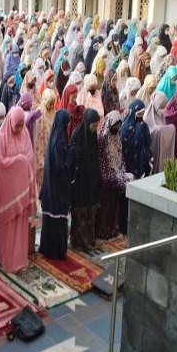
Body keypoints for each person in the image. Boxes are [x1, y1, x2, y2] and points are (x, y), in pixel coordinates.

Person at [0, 106, 36, 273]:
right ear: (10, 122)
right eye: (16, 125)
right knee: (7, 228)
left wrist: (22, 162)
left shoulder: (24, 133)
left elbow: (30, 156)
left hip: (21, 190)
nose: (19, 128)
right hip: (7, 192)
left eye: (21, 125)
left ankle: (19, 260)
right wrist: (19, 161)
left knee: (20, 228)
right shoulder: (1, 136)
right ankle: (7, 261)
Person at [39, 109, 76, 260]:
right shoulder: (59, 141)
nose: (68, 127)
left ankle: (48, 248)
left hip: (51, 186)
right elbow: (62, 167)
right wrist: (72, 153)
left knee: (52, 220)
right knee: (57, 219)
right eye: (67, 124)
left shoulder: (56, 136)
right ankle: (56, 250)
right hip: (57, 188)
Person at [97, 111, 133, 241]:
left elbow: (120, 157)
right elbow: (101, 161)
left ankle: (113, 229)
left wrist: (121, 172)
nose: (116, 128)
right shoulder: (102, 139)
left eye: (119, 125)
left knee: (116, 204)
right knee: (106, 206)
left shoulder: (118, 136)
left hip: (116, 172)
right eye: (115, 125)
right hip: (105, 177)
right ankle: (103, 231)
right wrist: (111, 175)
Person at [70, 109, 101, 252]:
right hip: (80, 181)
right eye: (93, 124)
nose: (95, 127)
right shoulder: (77, 135)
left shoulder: (92, 135)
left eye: (96, 124)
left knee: (89, 211)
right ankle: (79, 241)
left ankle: (88, 240)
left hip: (90, 180)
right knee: (80, 212)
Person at [143, 91, 175, 173]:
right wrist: (159, 130)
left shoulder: (162, 116)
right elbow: (149, 133)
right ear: (156, 104)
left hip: (162, 147)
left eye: (164, 106)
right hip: (153, 150)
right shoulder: (147, 116)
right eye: (161, 106)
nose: (163, 109)